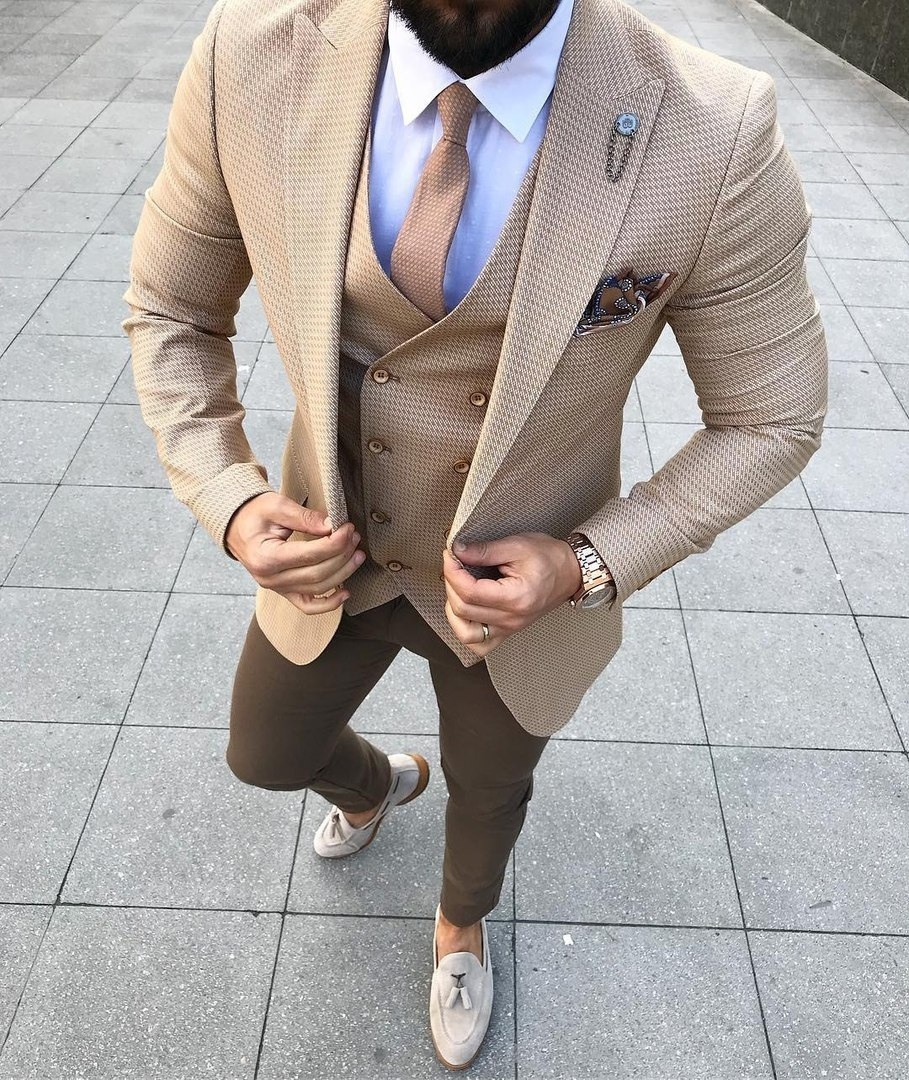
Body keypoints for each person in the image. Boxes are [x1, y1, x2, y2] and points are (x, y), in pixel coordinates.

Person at [122, 0, 828, 1066]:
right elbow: (172, 308)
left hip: (521, 599)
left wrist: (588, 562)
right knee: (267, 754)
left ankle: (462, 924)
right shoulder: (248, 56)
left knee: (492, 790)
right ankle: (378, 785)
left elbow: (772, 416)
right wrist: (224, 491)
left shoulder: (713, 127)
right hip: (334, 556)